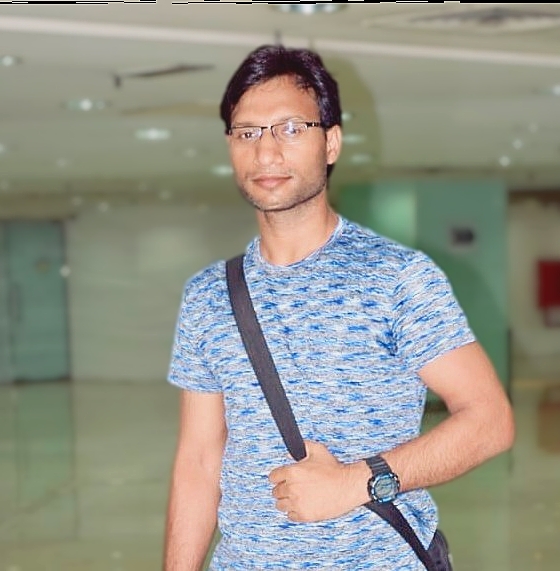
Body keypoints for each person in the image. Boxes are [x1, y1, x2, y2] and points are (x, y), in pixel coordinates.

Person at [164, 44, 515, 570]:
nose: (266, 153)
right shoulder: (209, 295)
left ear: (330, 142)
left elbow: (490, 420)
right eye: (247, 133)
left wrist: (357, 482)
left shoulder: (396, 277)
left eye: (290, 128)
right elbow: (198, 460)